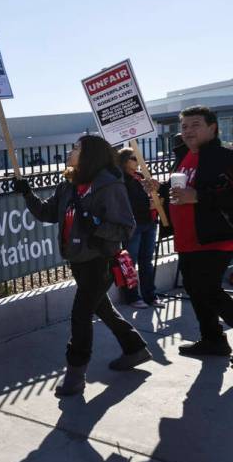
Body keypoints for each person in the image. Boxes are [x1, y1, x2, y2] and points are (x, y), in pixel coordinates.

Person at [13, 135, 151, 396]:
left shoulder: (109, 185)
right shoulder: (69, 183)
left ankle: (75, 376)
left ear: (90, 155)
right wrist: (27, 193)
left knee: (80, 315)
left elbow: (125, 228)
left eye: (76, 148)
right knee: (103, 309)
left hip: (100, 261)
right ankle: (135, 348)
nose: (70, 150)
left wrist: (96, 225)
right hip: (78, 260)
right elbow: (48, 213)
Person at [149, 105, 233, 357]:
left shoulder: (225, 157)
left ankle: (213, 338)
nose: (188, 131)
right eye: (184, 126)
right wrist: (160, 187)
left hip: (215, 238)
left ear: (212, 128)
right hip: (187, 240)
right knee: (196, 290)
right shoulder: (184, 155)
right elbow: (182, 188)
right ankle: (213, 340)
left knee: (209, 290)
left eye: (195, 125)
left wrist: (199, 197)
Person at [118, 147, 164, 308]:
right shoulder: (121, 180)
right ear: (124, 161)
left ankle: (150, 295)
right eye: (134, 158)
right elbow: (127, 204)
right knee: (131, 262)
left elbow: (152, 195)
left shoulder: (140, 176)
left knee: (146, 261)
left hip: (149, 223)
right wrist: (148, 205)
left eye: (139, 157)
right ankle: (132, 297)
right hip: (134, 225)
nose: (138, 161)